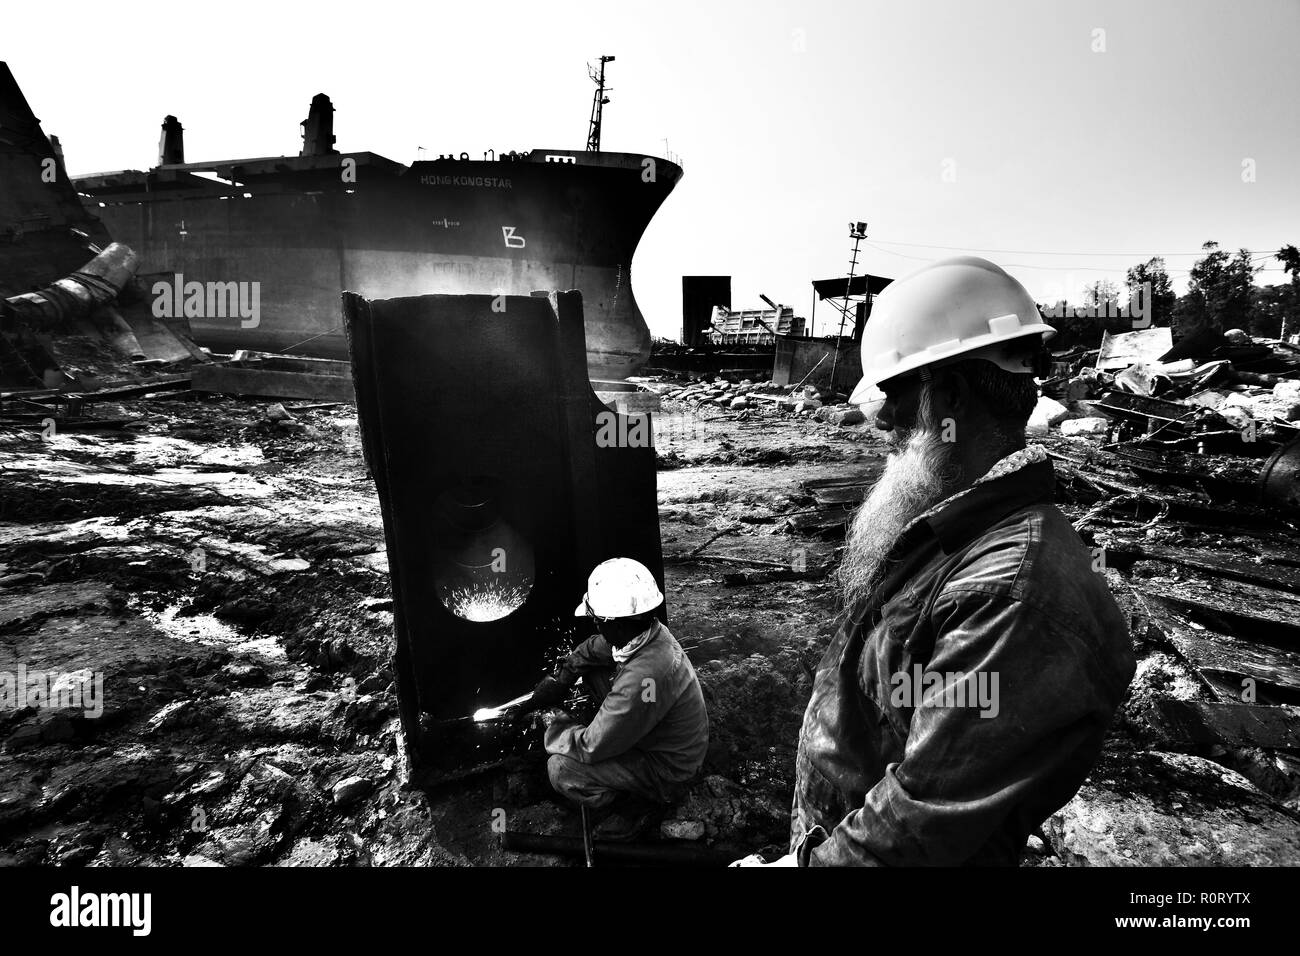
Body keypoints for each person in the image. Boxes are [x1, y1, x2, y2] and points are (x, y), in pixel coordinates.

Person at [736, 255, 1135, 866]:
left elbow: (927, 822)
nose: (882, 422)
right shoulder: (956, 528)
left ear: (947, 394)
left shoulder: (1010, 597)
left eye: (891, 396)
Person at [530, 557, 709, 838]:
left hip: (669, 770)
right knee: (592, 669)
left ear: (616, 623)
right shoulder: (646, 632)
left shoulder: (643, 677)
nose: (595, 626)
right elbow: (595, 648)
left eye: (597, 621)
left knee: (561, 769)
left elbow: (590, 747)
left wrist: (553, 722)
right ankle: (619, 729)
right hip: (664, 734)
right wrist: (562, 677)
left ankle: (631, 804)